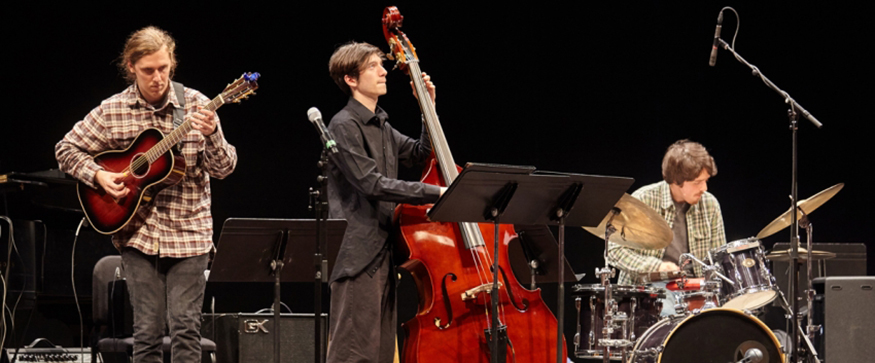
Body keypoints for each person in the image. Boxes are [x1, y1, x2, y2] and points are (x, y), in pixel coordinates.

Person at [55, 26, 236, 363]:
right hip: (138, 234)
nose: (158, 78)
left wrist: (212, 135)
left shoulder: (196, 104)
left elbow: (224, 168)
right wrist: (99, 174)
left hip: (189, 234)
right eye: (149, 70)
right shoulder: (113, 109)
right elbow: (66, 149)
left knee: (185, 330)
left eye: (164, 69)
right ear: (131, 67)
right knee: (147, 333)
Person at [324, 41, 443, 363]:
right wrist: (438, 193)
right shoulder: (344, 124)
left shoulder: (381, 124)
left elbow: (420, 153)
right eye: (374, 66)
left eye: (381, 64)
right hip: (358, 255)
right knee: (353, 354)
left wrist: (427, 108)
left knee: (377, 354)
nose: (383, 71)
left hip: (384, 253)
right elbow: (370, 184)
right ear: (351, 79)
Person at [607, 139, 725, 314]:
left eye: (705, 181)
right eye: (697, 182)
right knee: (671, 319)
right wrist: (656, 267)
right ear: (677, 181)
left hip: (696, 290)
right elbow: (614, 251)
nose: (704, 188)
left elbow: (719, 259)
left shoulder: (710, 204)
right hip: (648, 290)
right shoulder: (644, 199)